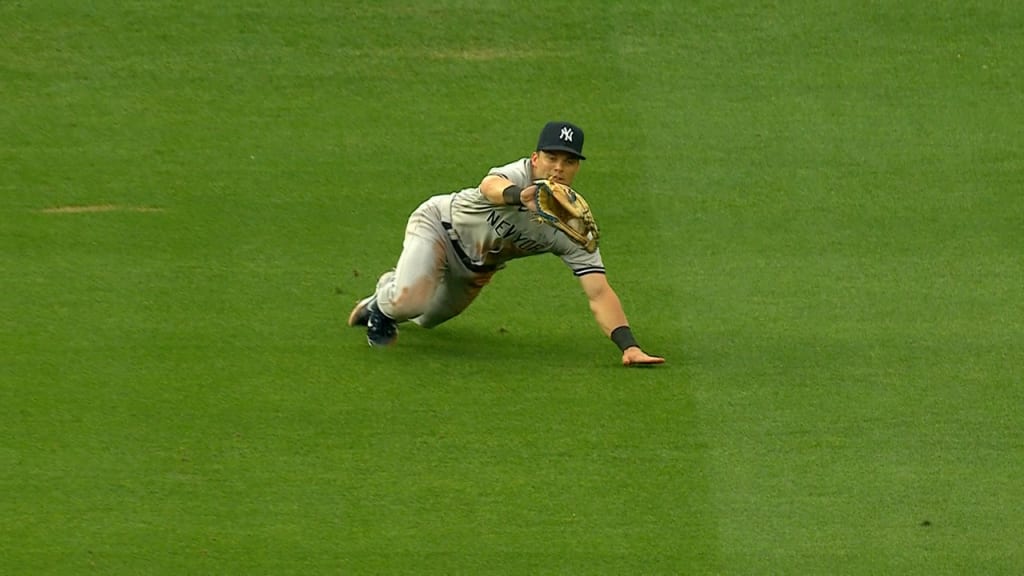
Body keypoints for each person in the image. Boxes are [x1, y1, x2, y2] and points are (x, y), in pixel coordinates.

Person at [347, 121, 664, 367]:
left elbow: (598, 292)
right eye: (551, 158)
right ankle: (382, 306)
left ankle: (390, 288)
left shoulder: (573, 223)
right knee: (407, 303)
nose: (558, 168)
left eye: (568, 161)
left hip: (476, 270)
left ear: (577, 167)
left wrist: (630, 346)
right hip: (439, 227)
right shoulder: (518, 175)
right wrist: (518, 196)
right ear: (535, 159)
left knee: (426, 319)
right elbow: (489, 186)